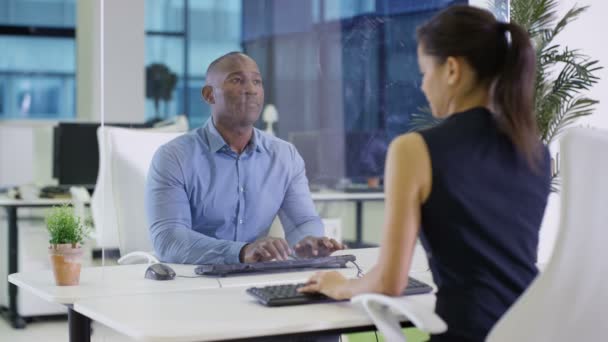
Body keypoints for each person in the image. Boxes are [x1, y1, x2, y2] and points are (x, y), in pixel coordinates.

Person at [299, 6, 551, 342]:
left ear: (451, 70)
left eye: (424, 72)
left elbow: (390, 281)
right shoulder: (535, 150)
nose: (423, 86)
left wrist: (341, 285)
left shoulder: (414, 149)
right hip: (533, 330)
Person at [145, 52, 345, 265]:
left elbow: (303, 221)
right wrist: (241, 252)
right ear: (209, 95)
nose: (251, 90)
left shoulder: (285, 156)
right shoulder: (173, 157)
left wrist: (307, 243)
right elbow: (169, 239)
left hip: (258, 278)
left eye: (257, 82)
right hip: (193, 281)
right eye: (237, 80)